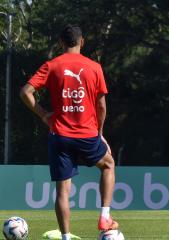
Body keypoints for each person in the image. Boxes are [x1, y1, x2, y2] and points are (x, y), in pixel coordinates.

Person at [20, 25, 119, 240]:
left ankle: (65, 237)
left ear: (61, 43)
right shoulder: (94, 67)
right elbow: (102, 107)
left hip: (60, 136)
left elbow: (25, 92)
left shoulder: (52, 65)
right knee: (108, 164)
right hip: (86, 135)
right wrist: (100, 133)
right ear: (82, 42)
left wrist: (44, 115)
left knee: (63, 192)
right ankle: (104, 216)